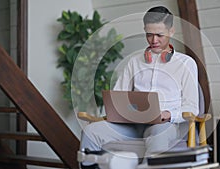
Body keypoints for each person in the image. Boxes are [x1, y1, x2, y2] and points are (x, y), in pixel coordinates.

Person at [80, 6, 200, 169]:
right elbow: (118, 97)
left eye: (159, 35)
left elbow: (193, 108)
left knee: (159, 133)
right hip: (133, 125)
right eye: (149, 34)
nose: (154, 40)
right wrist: (116, 112)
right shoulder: (134, 62)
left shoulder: (186, 64)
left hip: (167, 126)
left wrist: (168, 114)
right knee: (92, 131)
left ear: (171, 31)